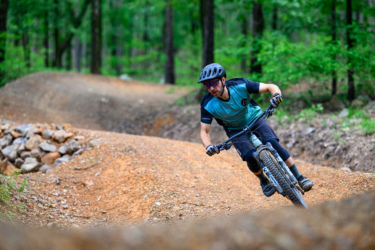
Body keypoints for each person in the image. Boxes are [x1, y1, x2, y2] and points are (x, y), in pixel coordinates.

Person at [199, 63, 314, 197]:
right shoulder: (207, 104)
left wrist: (276, 95)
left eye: (213, 83)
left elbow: (270, 87)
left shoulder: (240, 85)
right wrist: (208, 146)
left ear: (223, 80)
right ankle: (263, 180)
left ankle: (300, 177)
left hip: (254, 118)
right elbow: (204, 131)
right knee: (249, 156)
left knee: (273, 143)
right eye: (207, 85)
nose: (212, 88)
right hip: (234, 129)